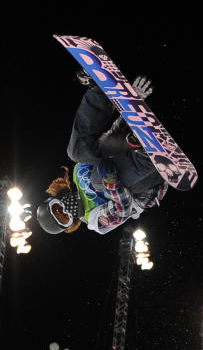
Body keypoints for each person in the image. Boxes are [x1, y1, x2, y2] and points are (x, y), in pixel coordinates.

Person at [35, 74, 169, 236]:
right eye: (65, 217)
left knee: (75, 152)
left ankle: (99, 92)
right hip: (149, 183)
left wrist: (131, 106)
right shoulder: (94, 220)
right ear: (71, 224)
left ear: (54, 198)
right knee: (99, 180)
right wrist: (111, 183)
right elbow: (123, 210)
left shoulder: (79, 174)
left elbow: (107, 142)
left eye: (58, 208)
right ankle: (149, 155)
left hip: (129, 149)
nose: (66, 209)